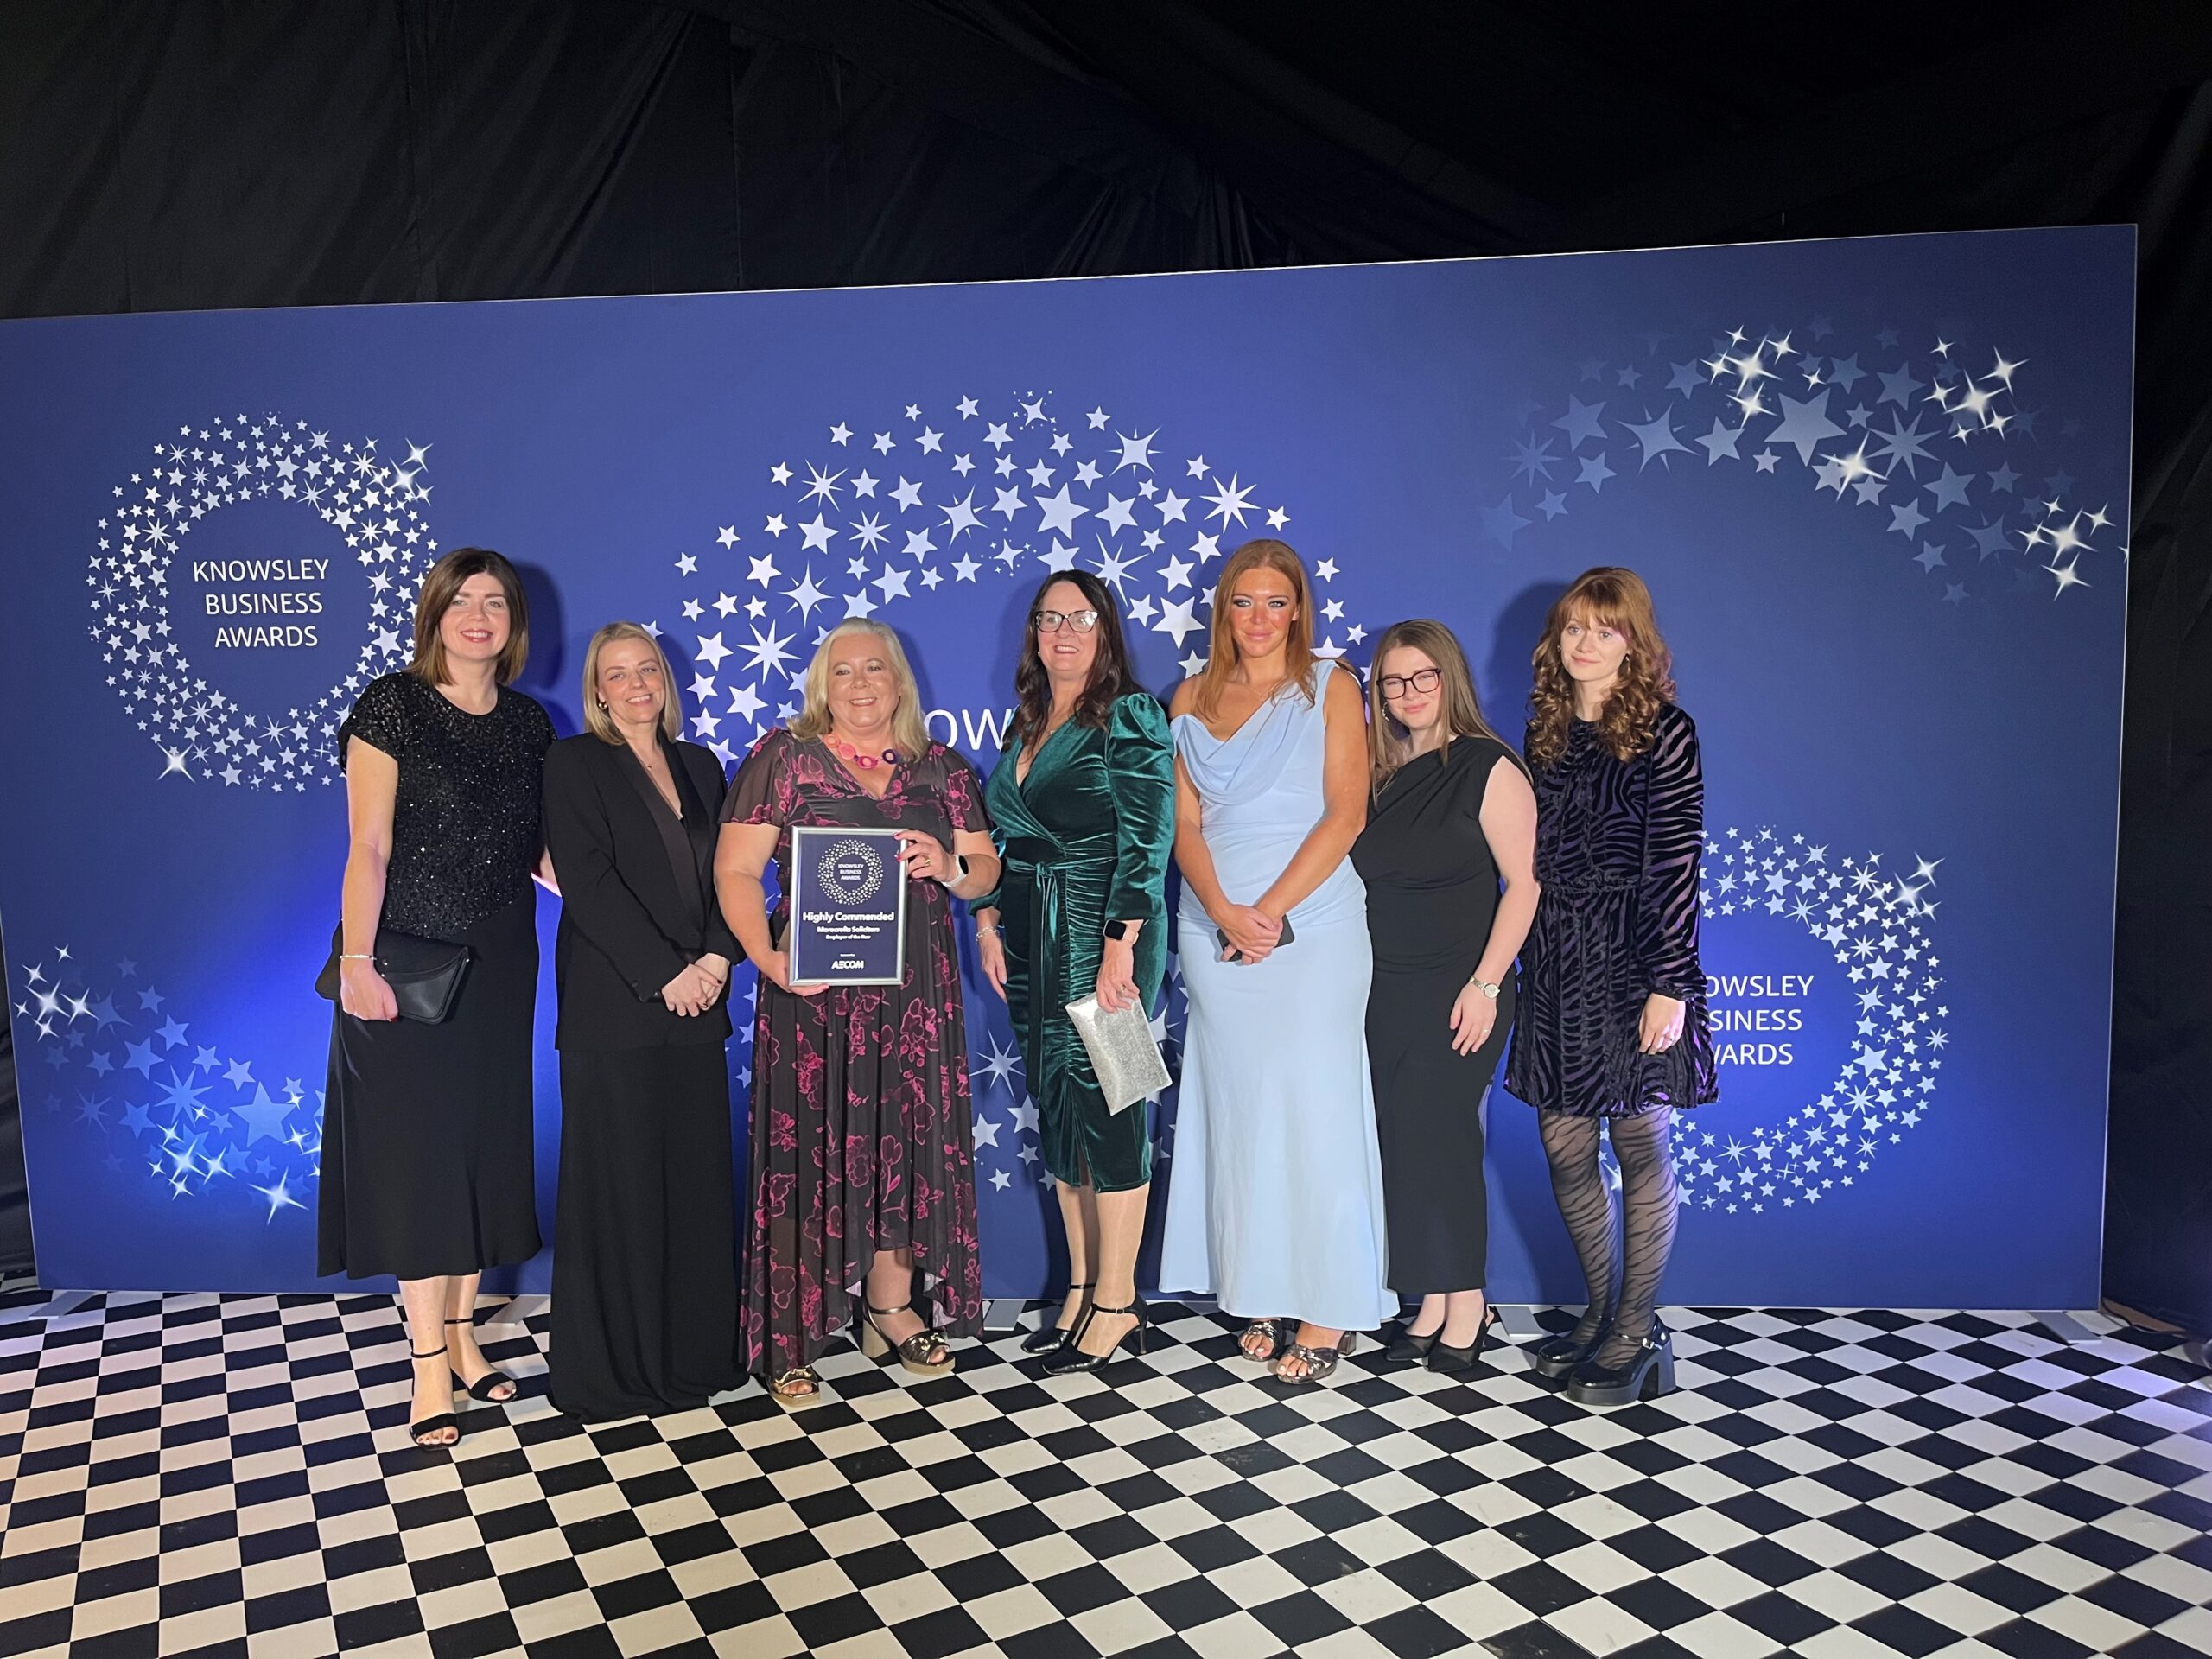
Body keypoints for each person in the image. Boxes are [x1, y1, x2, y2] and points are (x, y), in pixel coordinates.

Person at [715, 620, 1001, 1406]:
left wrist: (952, 866)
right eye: (843, 671)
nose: (861, 683)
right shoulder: (785, 759)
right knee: (810, 1147)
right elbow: (735, 870)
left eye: (875, 668)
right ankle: (791, 1328)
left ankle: (891, 1307)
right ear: (822, 685)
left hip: (916, 998)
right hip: (813, 999)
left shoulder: (941, 768)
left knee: (902, 1142)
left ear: (899, 680)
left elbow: (984, 869)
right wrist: (765, 956)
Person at [324, 547, 556, 1450]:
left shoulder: (529, 724)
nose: (478, 616)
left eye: (495, 602)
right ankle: (427, 1368)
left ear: (513, 622)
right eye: (461, 601)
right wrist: (356, 959)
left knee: (479, 1156)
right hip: (406, 967)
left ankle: (463, 1339)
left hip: (500, 967)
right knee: (421, 1167)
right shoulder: (393, 704)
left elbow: (541, 856)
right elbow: (369, 846)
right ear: (434, 615)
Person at [1158, 538, 1390, 1386]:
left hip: (1314, 927)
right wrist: (1225, 911)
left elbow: (1346, 813)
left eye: (1276, 603)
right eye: (1243, 601)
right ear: (1223, 609)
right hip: (1211, 928)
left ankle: (1329, 1304)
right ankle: (1259, 1285)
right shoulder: (1188, 695)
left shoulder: (1331, 685)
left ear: (1298, 612)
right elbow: (1183, 824)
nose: (1259, 618)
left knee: (1317, 1110)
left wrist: (1271, 913)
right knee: (1243, 1113)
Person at [1505, 567, 1716, 1406]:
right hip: (1558, 958)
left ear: (1634, 643)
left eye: (1605, 628)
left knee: (1638, 1144)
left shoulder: (1666, 731)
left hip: (1635, 960)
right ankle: (1600, 1314)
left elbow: (1675, 864)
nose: (1585, 643)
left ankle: (1636, 1329)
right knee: (1564, 1145)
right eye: (1573, 628)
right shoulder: (1545, 731)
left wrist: (1670, 983)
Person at [972, 572, 1175, 1374]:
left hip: (1105, 935)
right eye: (1049, 618)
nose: (1063, 632)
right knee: (1060, 1112)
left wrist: (1123, 940)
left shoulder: (1130, 713)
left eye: (1080, 618)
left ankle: (1120, 1303)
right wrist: (988, 921)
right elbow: (998, 840)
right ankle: (1084, 1288)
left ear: (1105, 630)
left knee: (1114, 1107)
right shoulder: (1025, 722)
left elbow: (1149, 836)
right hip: (1030, 937)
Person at [541, 622, 742, 1421]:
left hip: (701, 1003)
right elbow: (587, 884)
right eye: (617, 674)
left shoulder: (701, 765)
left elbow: (733, 873)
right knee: (618, 1191)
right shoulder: (573, 764)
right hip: (615, 1009)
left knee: (694, 1188)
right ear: (598, 690)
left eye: (647, 669)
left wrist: (718, 960)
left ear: (665, 679)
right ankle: (615, 1374)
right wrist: (667, 974)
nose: (635, 685)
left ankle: (696, 1358)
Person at [1351, 620, 1539, 1376]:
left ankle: (1469, 1304)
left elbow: (1523, 886)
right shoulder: (1382, 778)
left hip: (1463, 987)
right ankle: (1431, 1301)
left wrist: (1486, 984)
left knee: (1445, 1140)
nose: (1408, 693)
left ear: (1449, 677)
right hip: (1386, 989)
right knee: (1405, 1145)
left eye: (1422, 676)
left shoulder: (1488, 766)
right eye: (1392, 682)